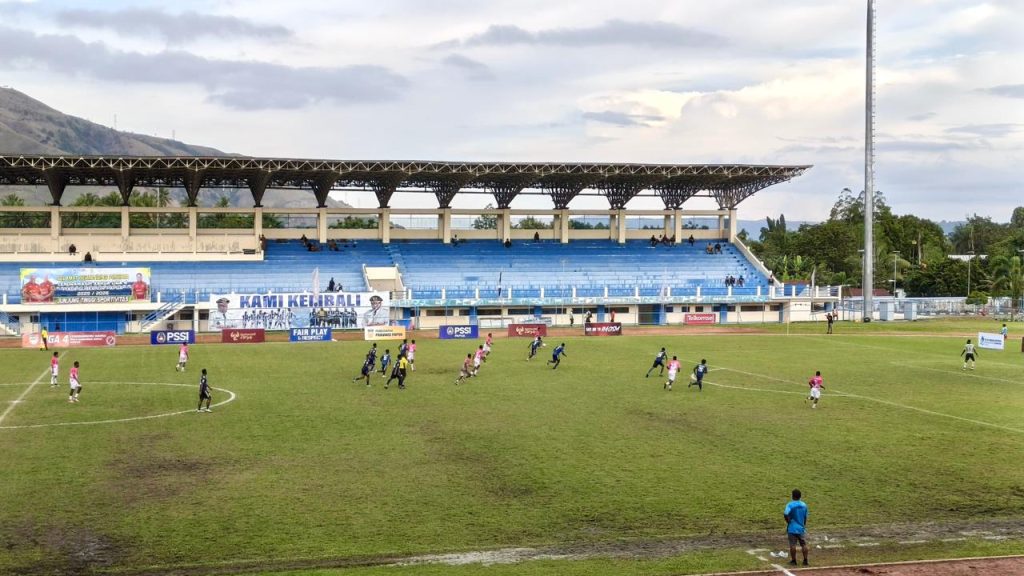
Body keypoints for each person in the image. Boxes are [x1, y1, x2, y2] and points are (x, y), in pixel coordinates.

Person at [784, 489, 809, 566]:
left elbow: (785, 514)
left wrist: (788, 521)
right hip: (801, 528)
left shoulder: (790, 505)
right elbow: (805, 517)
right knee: (804, 544)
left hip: (792, 528)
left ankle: (794, 561)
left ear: (792, 496)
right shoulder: (804, 505)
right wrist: (803, 525)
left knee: (792, 545)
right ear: (800, 496)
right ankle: (805, 560)